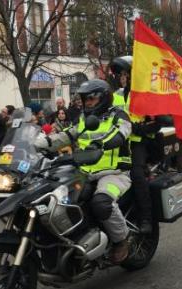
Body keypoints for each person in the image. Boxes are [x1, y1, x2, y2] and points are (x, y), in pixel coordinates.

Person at [34, 79, 132, 264]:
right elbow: (67, 135)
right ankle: (73, 241)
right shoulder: (83, 119)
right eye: (85, 99)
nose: (86, 103)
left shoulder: (119, 115)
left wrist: (101, 143)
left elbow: (120, 134)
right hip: (84, 171)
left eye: (91, 99)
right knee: (59, 201)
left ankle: (121, 240)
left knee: (101, 203)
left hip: (114, 172)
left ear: (103, 98)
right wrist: (44, 142)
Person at [110, 56, 164, 234]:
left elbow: (157, 123)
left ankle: (146, 218)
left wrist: (136, 128)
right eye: (120, 74)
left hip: (138, 144)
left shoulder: (146, 95)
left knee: (136, 175)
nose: (121, 77)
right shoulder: (116, 95)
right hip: (116, 143)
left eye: (124, 73)